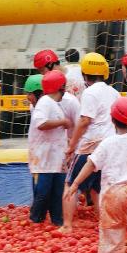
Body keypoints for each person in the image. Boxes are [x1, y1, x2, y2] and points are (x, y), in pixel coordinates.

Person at [66, 98, 127, 253]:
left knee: (110, 228)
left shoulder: (108, 142)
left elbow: (91, 164)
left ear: (112, 120)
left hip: (113, 193)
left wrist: (75, 184)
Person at [60, 52, 121, 234]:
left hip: (90, 146)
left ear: (85, 74)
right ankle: (105, 223)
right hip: (109, 146)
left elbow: (85, 121)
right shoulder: (114, 92)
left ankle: (67, 225)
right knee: (98, 188)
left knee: (71, 184)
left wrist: (72, 146)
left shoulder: (90, 93)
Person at [25, 71, 73, 225]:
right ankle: (36, 220)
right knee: (43, 192)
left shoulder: (53, 104)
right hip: (44, 160)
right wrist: (63, 122)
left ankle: (57, 221)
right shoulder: (45, 102)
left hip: (55, 159)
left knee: (56, 193)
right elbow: (41, 124)